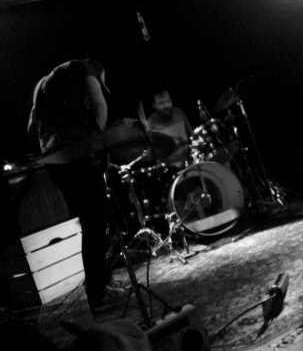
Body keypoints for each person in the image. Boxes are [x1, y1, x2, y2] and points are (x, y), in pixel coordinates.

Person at [27, 59, 125, 311]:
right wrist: (96, 140)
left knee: (91, 222)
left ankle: (103, 281)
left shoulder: (42, 85)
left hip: (54, 160)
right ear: (98, 72)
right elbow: (99, 104)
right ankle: (97, 292)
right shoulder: (85, 68)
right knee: (96, 222)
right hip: (78, 154)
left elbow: (31, 129)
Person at [145, 87, 193, 169]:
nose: (166, 106)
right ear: (154, 105)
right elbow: (155, 156)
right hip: (171, 169)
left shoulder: (179, 112)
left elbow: (192, 136)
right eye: (161, 103)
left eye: (168, 101)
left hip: (190, 160)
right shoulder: (150, 124)